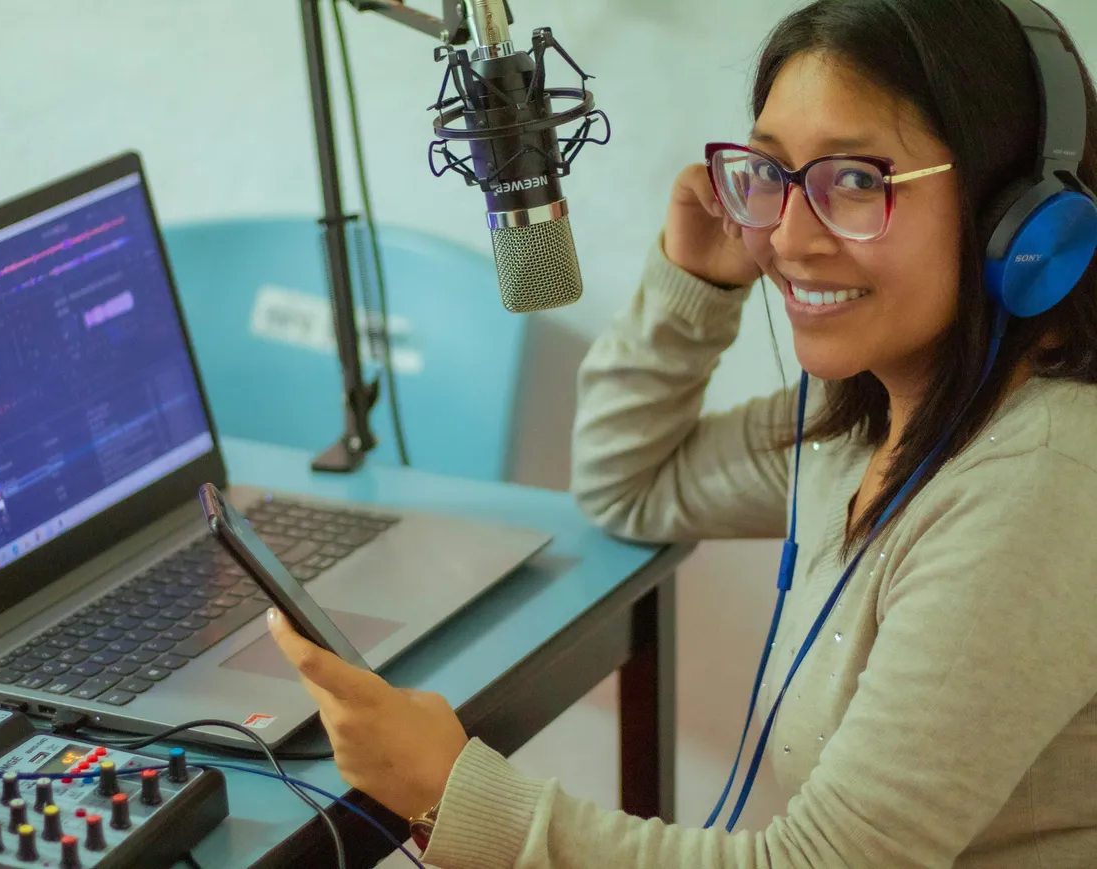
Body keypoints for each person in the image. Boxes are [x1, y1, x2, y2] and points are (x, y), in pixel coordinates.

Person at [266, 0, 1097, 865]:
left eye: (855, 180)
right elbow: (629, 484)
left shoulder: (1039, 484)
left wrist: (448, 793)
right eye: (771, 174)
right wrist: (695, 281)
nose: (786, 236)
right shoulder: (867, 421)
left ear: (1023, 217)